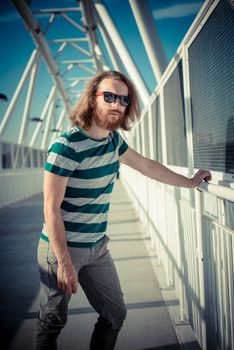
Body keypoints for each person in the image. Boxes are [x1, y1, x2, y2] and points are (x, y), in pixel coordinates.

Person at [35, 70, 212, 350]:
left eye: (123, 100)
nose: (117, 104)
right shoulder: (65, 147)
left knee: (115, 314)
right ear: (93, 99)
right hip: (60, 250)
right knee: (52, 322)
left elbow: (148, 167)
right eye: (109, 96)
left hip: (97, 247)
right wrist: (65, 262)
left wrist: (191, 183)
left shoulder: (114, 142)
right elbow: (51, 208)